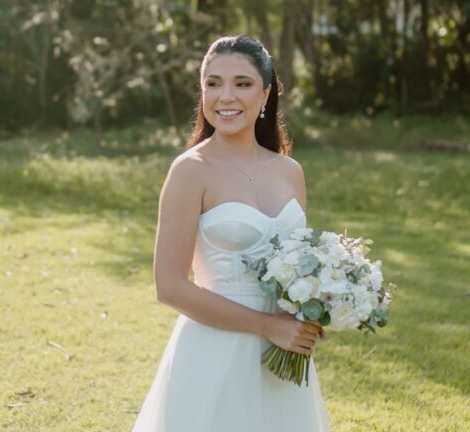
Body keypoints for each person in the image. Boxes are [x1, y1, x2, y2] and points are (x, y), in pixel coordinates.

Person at [131, 35, 329, 432]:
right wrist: (267, 326)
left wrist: (315, 304)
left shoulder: (290, 172)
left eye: (242, 83)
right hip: (214, 352)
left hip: (282, 356)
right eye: (213, 83)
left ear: (266, 93)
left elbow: (298, 265)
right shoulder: (190, 171)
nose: (226, 96)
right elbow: (169, 287)